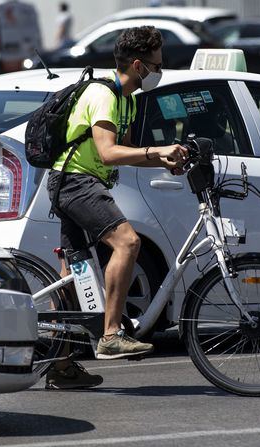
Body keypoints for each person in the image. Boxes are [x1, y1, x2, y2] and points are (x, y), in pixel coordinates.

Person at [43, 26, 188, 390]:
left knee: (74, 277)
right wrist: (157, 151)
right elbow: (107, 152)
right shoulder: (103, 94)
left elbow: (122, 154)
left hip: (78, 182)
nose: (159, 70)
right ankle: (110, 335)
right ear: (138, 65)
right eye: (155, 65)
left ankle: (60, 365)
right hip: (75, 182)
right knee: (128, 243)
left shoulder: (129, 100)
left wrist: (163, 160)